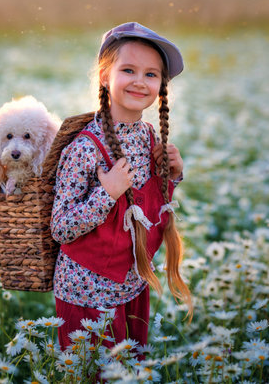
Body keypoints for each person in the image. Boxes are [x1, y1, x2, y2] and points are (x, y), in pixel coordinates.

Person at [50, 22, 193, 350]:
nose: (140, 82)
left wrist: (172, 176)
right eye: (128, 70)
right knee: (93, 373)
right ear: (104, 75)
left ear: (161, 83)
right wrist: (107, 192)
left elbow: (147, 210)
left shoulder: (147, 137)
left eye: (151, 74)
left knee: (130, 370)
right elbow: (61, 228)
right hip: (87, 295)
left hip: (132, 285)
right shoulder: (86, 147)